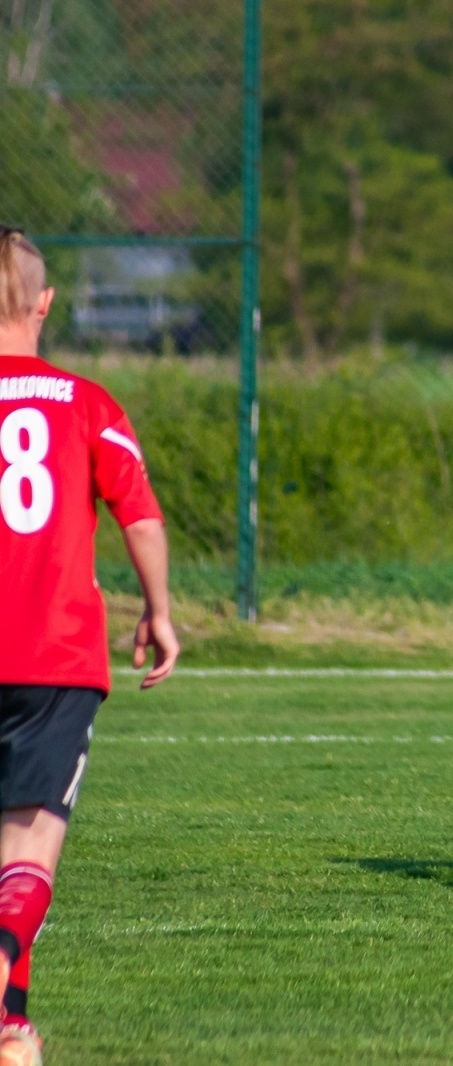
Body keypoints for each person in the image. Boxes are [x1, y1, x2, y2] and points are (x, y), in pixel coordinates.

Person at [0, 229, 179, 1066]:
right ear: (45, 304)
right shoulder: (86, 403)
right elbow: (139, 514)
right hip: (56, 657)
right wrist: (159, 609)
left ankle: (11, 1028)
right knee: (25, 853)